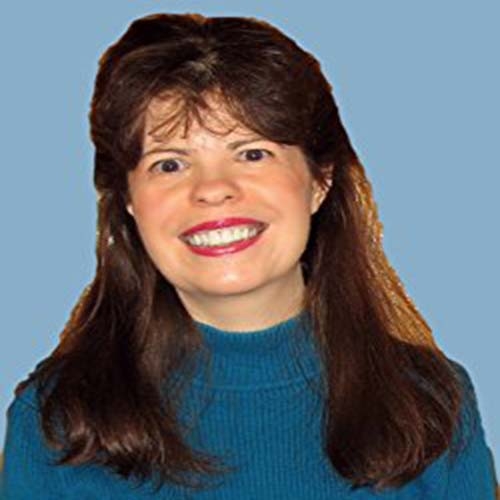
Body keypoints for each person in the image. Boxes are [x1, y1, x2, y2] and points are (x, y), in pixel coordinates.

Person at [1, 12, 497, 499]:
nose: (213, 189)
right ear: (128, 200)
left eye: (252, 153)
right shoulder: (56, 423)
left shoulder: (431, 407)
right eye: (169, 164)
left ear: (320, 180)